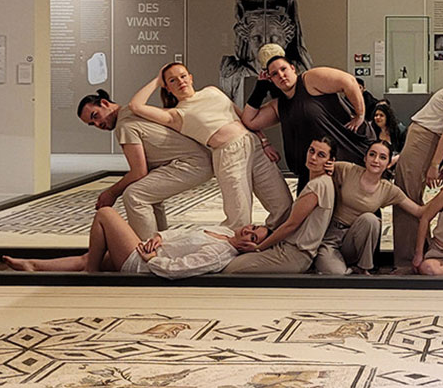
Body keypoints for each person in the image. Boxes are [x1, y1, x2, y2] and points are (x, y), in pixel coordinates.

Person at [126, 62, 293, 235]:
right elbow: (135, 106)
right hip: (228, 154)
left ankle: (276, 239)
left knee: (283, 204)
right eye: (172, 80)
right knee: (239, 217)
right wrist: (156, 80)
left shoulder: (212, 91)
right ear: (167, 87)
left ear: (190, 78)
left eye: (183, 76)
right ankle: (234, 248)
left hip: (254, 145)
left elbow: (244, 118)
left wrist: (265, 142)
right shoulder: (175, 114)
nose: (180, 81)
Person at [76, 88, 212, 239]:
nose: (97, 124)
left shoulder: (124, 125)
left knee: (134, 195)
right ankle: (161, 244)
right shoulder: (133, 111)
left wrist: (111, 193)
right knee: (148, 194)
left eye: (95, 116)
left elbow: (138, 172)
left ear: (105, 103)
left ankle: (146, 248)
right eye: (92, 124)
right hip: (200, 158)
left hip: (192, 163)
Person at [392, 43, 443, 269]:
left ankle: (407, 261)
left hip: (423, 138)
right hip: (426, 138)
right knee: (411, 196)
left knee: (405, 197)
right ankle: (421, 253)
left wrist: (438, 164)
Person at [242, 44, 372, 182]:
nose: (281, 75)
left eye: (283, 69)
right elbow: (249, 121)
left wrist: (360, 115)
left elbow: (349, 81)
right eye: (274, 74)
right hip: (312, 172)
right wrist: (260, 89)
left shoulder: (309, 79)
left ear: (292, 68)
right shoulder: (278, 105)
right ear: (270, 79)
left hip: (348, 159)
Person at [2, 206, 244, 278]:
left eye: (253, 236)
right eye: (253, 227)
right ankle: (33, 265)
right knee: (91, 256)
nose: (248, 230)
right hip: (147, 250)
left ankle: (91, 274)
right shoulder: (223, 231)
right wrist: (160, 237)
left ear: (251, 247)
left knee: (106, 214)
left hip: (142, 264)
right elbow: (181, 234)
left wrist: (153, 259)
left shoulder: (219, 253)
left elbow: (179, 269)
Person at [226, 136, 338, 275]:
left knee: (231, 268)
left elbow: (290, 225)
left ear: (330, 161)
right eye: (311, 151)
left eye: (321, 155)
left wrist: (259, 248)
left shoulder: (317, 186)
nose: (313, 157)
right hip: (290, 249)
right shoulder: (321, 182)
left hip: (294, 255)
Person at [316, 139, 422, 275]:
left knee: (370, 220)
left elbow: (418, 211)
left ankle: (363, 268)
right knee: (338, 275)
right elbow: (320, 167)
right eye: (372, 154)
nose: (376, 160)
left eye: (382, 157)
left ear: (388, 164)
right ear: (365, 158)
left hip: (353, 241)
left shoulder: (388, 189)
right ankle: (346, 270)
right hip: (331, 237)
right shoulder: (347, 169)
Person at [368, 101, 404, 173]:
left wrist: (396, 158)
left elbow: (405, 150)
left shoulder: (399, 131)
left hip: (396, 166)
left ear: (387, 117)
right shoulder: (371, 132)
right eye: (376, 115)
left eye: (381, 115)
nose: (377, 117)